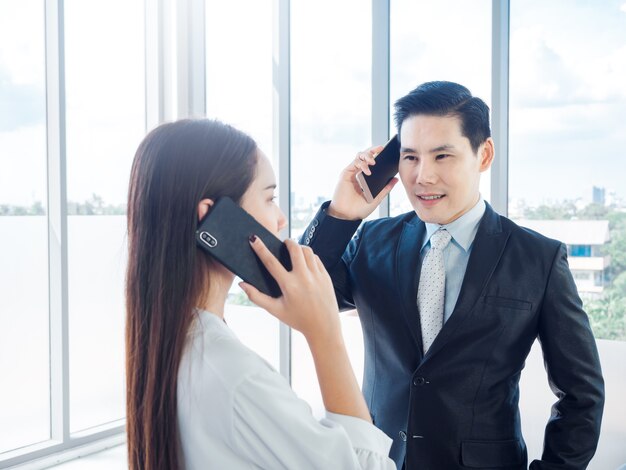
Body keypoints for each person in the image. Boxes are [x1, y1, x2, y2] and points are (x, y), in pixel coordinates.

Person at [301, 81, 605, 469]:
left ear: (484, 154)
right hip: (377, 459)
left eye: (442, 156)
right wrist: (341, 215)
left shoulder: (538, 260)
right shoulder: (371, 241)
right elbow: (292, 287)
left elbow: (582, 397)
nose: (422, 176)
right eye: (409, 157)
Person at [125, 119, 396, 470]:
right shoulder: (237, 379)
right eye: (269, 197)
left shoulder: (169, 342)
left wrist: (341, 215)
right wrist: (325, 333)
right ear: (212, 219)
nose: (281, 220)